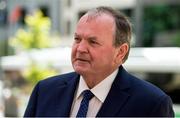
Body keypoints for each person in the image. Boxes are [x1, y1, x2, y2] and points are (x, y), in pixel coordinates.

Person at [24, 6, 174, 117]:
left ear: (120, 52)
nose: (80, 48)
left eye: (93, 42)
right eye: (77, 39)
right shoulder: (44, 91)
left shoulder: (152, 104)